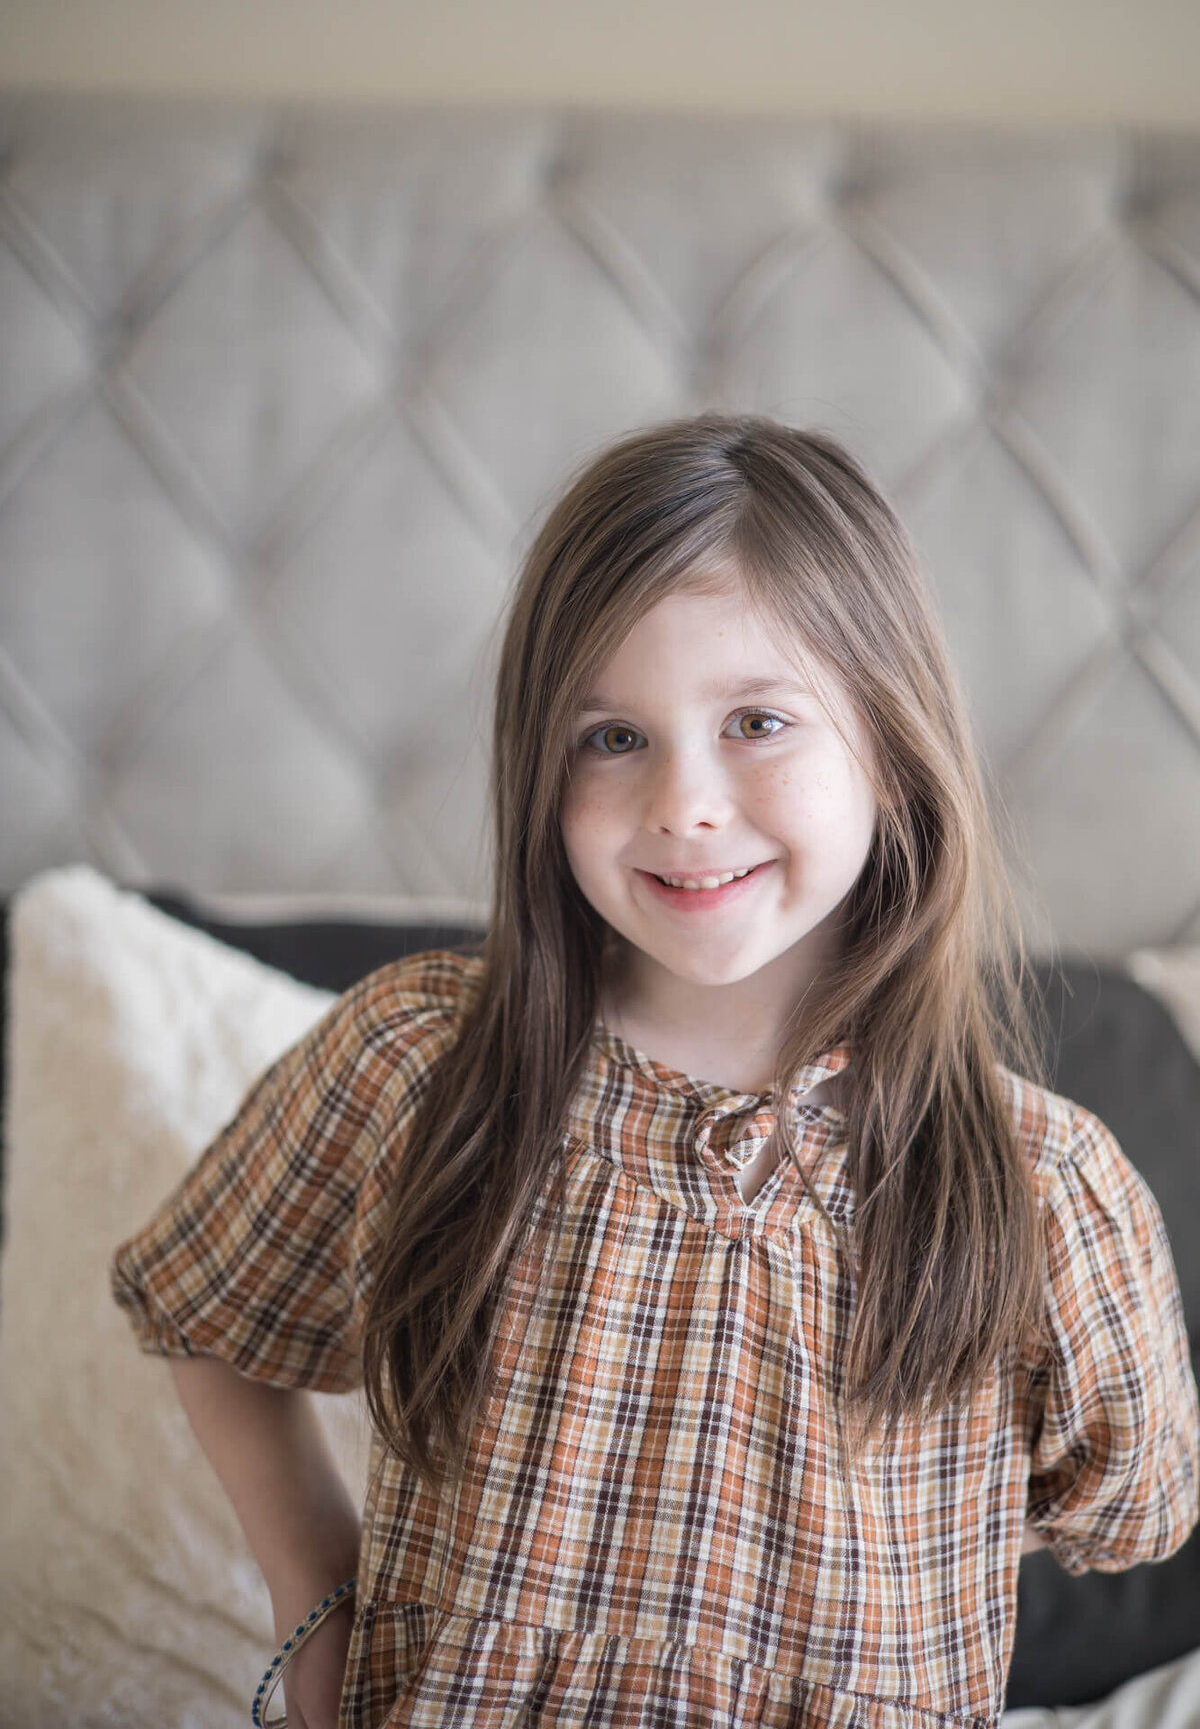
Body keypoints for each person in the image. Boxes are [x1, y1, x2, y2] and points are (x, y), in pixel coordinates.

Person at [111, 414, 1199, 1729]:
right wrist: (316, 1587)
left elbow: (1122, 1508)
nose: (685, 802)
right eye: (613, 737)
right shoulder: (417, 1060)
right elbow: (205, 1314)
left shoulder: (1045, 1186)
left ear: (893, 746)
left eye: (755, 720)